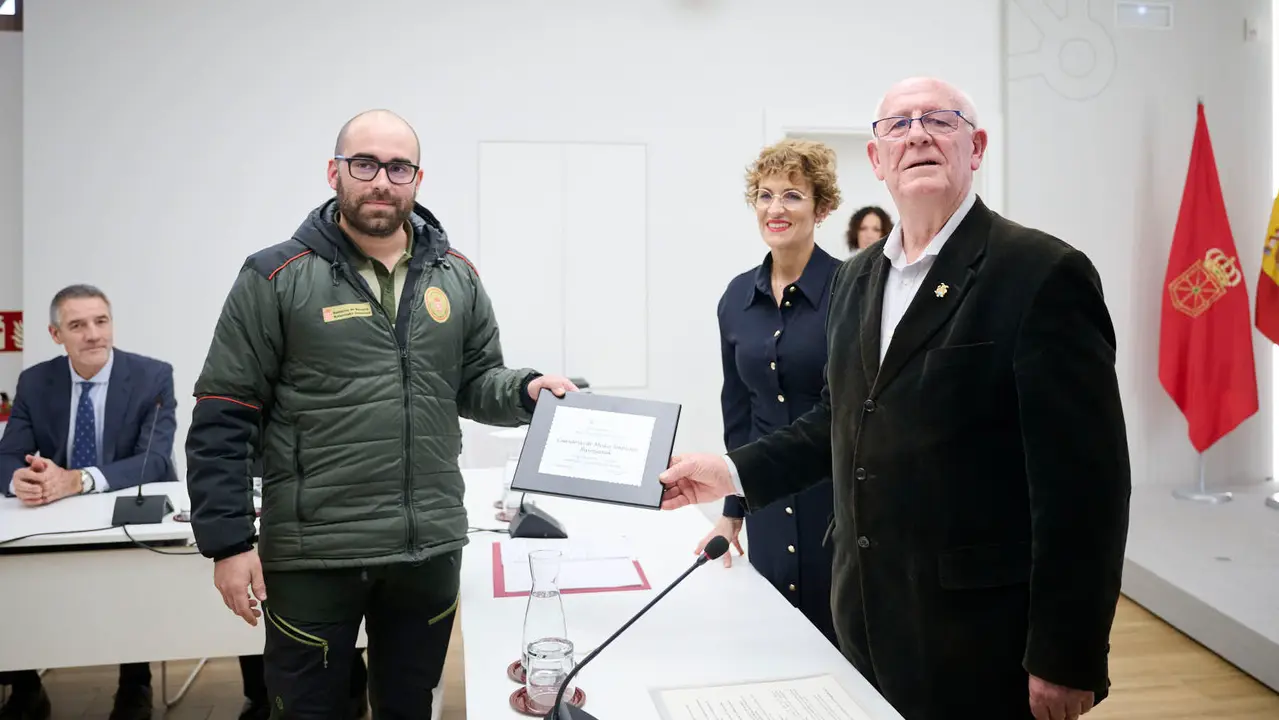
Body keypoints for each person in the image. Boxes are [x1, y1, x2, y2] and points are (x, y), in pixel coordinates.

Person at [659, 77, 1131, 720]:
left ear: (976, 145)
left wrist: (1066, 653)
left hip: (981, 641)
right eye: (898, 125)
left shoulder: (1041, 273)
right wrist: (731, 471)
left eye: (939, 119)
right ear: (877, 161)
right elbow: (840, 419)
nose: (918, 134)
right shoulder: (857, 279)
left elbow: (1086, 488)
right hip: (862, 620)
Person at [186, 108, 577, 720]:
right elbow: (223, 413)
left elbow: (475, 381)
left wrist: (526, 391)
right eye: (365, 164)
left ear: (417, 178)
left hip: (425, 552)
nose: (381, 181)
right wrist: (229, 543)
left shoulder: (458, 276)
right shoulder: (275, 276)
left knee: (408, 709)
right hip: (314, 555)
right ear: (334, 171)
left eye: (399, 167)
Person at [0, 284, 178, 720]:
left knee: (128, 576)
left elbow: (154, 460)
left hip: (124, 508)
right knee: (16, 585)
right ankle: (25, 684)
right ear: (56, 334)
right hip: (51, 513)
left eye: (101, 321)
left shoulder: (153, 376)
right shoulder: (36, 380)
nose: (93, 334)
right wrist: (19, 480)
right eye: (77, 325)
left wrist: (78, 481)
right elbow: (7, 455)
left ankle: (135, 682)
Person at [698, 138, 840, 646]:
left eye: (792, 196)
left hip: (837, 510)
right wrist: (732, 513)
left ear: (822, 207)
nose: (775, 209)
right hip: (767, 508)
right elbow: (739, 417)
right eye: (764, 194)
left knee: (843, 650)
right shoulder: (737, 297)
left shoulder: (850, 292)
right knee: (778, 644)